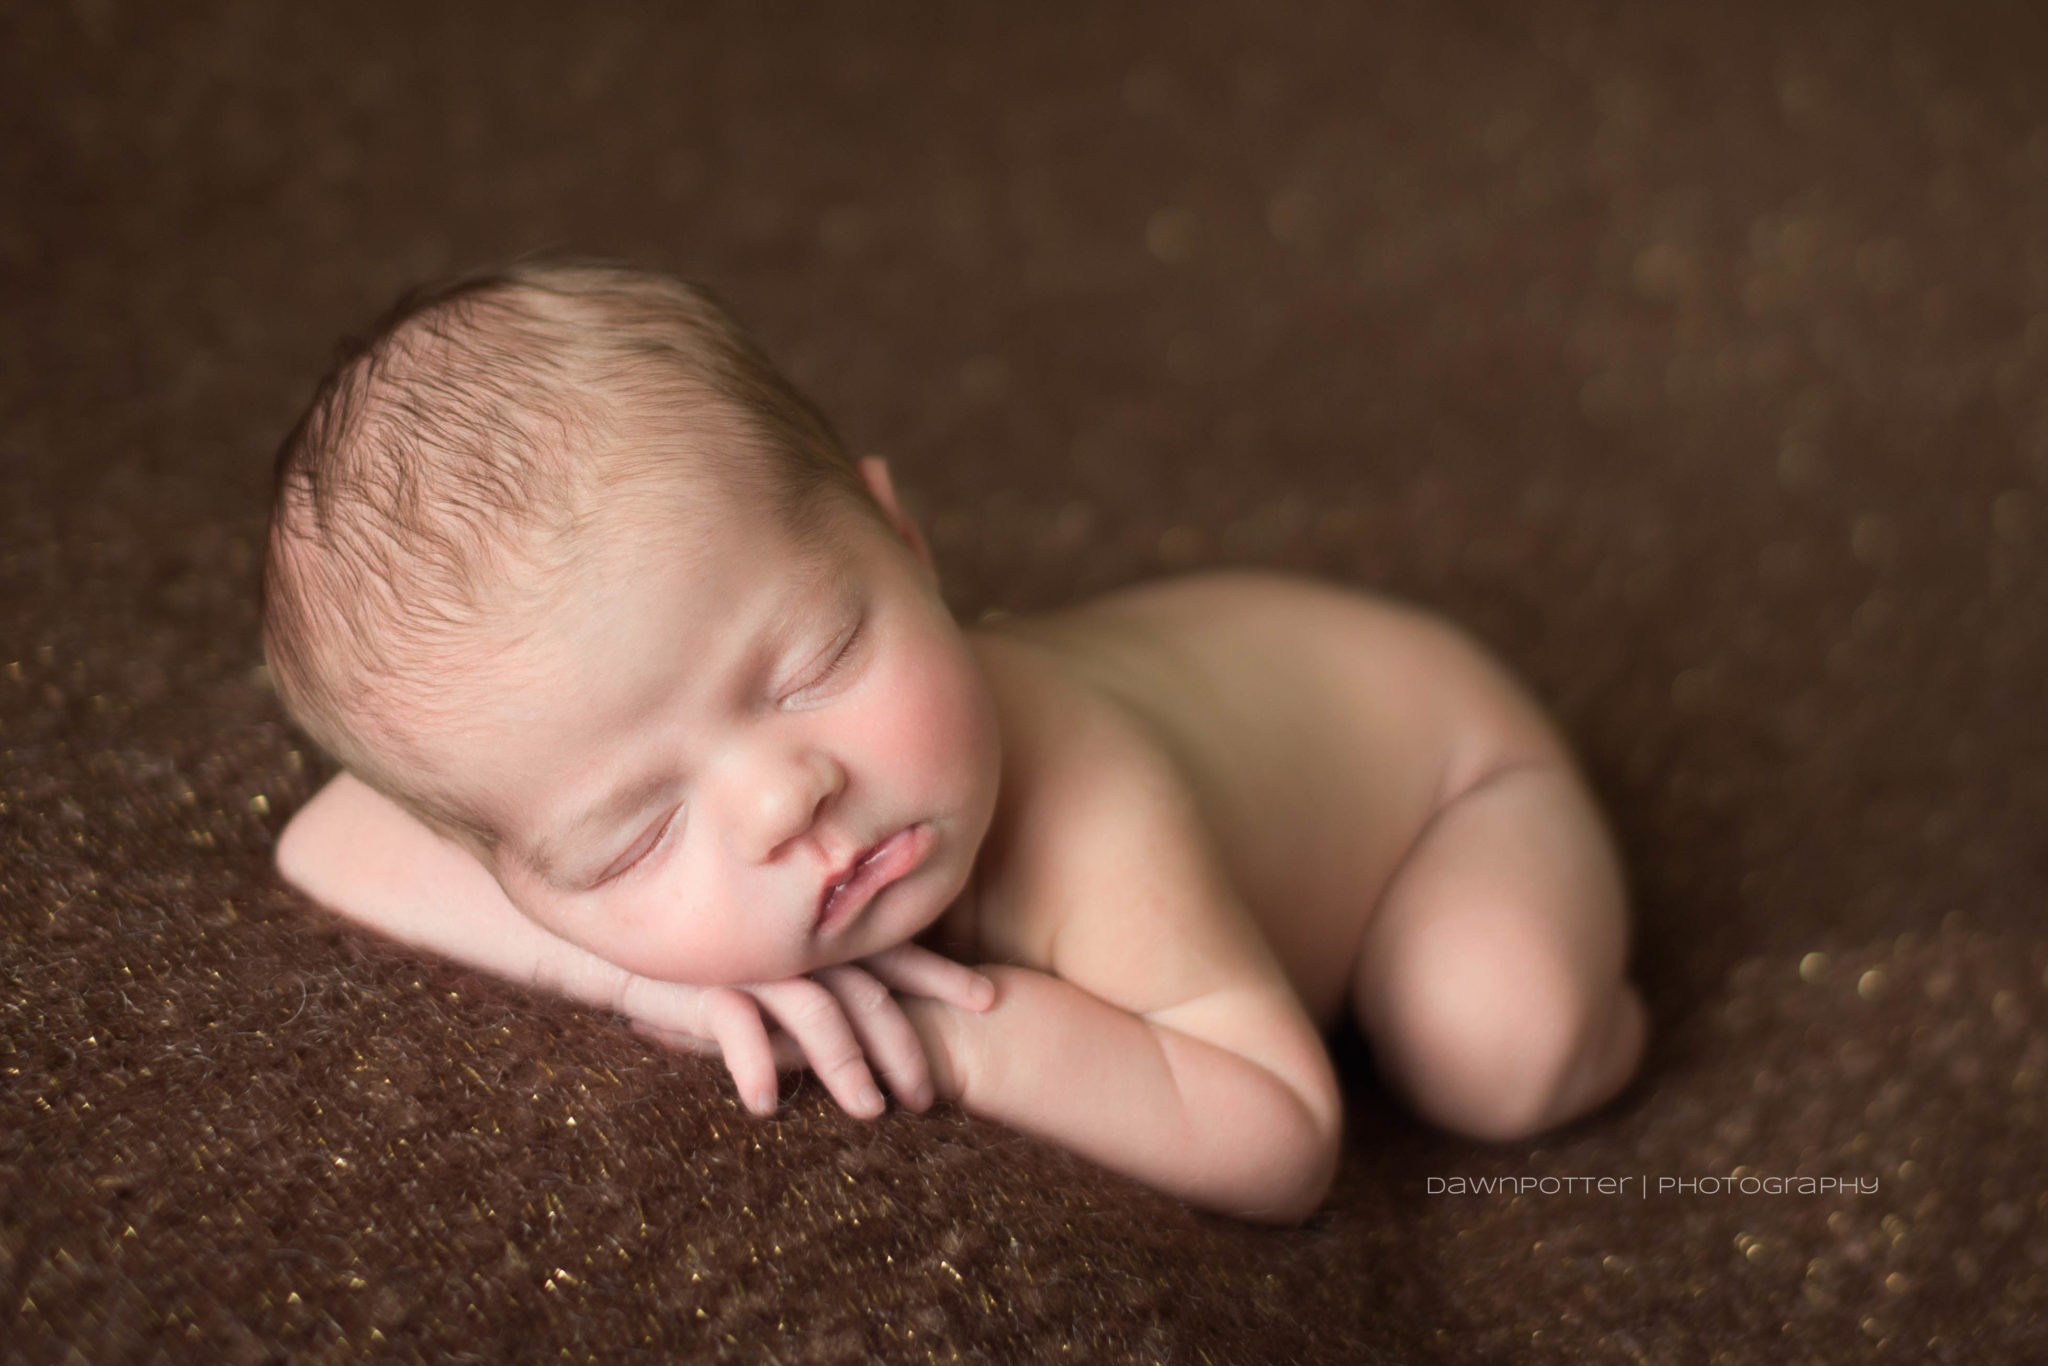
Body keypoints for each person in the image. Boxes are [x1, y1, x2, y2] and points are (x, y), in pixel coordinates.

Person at [263, 257, 1647, 1224]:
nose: (780, 799)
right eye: (634, 834)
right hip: (1233, 662)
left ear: (904, 536)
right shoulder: (575, 830)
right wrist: (639, 979)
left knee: (1487, 1046)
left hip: (1436, 770)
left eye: (814, 663)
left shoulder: (1096, 804)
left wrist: (958, 1036)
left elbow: (1280, 1132)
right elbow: (328, 833)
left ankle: (1621, 1003)